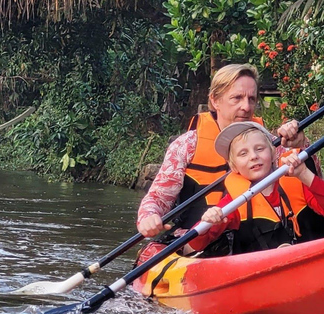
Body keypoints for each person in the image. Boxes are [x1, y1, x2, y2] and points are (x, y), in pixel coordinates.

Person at [137, 64, 314, 239]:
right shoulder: (187, 145)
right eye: (237, 98)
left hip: (256, 241)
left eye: (251, 99)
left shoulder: (269, 143)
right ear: (215, 100)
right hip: (196, 241)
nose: (246, 107)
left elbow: (311, 182)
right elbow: (157, 199)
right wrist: (149, 216)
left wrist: (301, 145)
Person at [187, 121, 324, 254]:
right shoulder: (234, 202)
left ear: (272, 154)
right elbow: (196, 243)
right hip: (265, 272)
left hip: (311, 263)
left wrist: (305, 175)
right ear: (234, 167)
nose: (253, 156)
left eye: (260, 149)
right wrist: (207, 221)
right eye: (243, 153)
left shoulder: (297, 181)